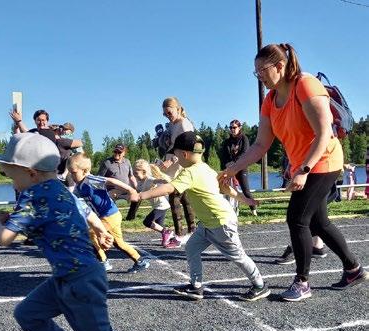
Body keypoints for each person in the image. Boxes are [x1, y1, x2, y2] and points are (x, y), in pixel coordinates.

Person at [0, 133, 181, 331]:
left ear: (30, 173)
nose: (8, 177)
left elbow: (3, 238)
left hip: (81, 279)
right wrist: (101, 230)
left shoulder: (32, 195)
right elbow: (85, 209)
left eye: (9, 173)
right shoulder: (60, 187)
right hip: (67, 276)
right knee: (27, 314)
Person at [222, 43, 368, 301]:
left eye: (262, 71)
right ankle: (353, 269)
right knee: (319, 222)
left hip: (324, 160)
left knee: (297, 218)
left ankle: (302, 283)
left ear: (280, 66)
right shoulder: (269, 100)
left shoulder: (306, 85)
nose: (259, 77)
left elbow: (324, 134)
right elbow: (260, 144)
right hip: (303, 165)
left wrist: (303, 170)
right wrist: (233, 168)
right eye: (256, 72)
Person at [131, 132, 270, 302]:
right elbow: (224, 188)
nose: (175, 158)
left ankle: (260, 286)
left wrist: (141, 195)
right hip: (208, 223)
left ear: (184, 154)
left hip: (221, 222)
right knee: (192, 248)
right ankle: (196, 287)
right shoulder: (205, 168)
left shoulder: (190, 172)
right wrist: (245, 199)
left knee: (238, 256)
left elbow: (170, 188)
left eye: (176, 154)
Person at [68, 152, 150, 273]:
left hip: (109, 215)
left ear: (84, 171)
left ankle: (103, 261)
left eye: (74, 172)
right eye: (70, 172)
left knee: (91, 233)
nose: (71, 176)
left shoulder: (90, 179)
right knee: (119, 243)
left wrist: (131, 190)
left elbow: (111, 181)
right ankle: (140, 261)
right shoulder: (78, 187)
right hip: (108, 216)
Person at [158, 97, 196, 248]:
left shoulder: (185, 124)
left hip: (181, 166)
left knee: (174, 199)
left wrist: (171, 161)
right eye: (165, 114)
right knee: (185, 199)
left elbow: (187, 148)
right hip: (174, 167)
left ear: (178, 109)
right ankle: (193, 231)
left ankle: (180, 236)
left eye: (169, 112)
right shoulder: (173, 125)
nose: (167, 116)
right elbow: (173, 145)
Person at [221, 120, 257, 216]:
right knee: (228, 190)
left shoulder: (244, 139)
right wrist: (227, 164)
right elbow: (223, 155)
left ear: (239, 127)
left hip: (241, 167)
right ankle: (233, 210)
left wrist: (235, 162)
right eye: (231, 128)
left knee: (246, 190)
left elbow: (245, 152)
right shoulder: (227, 141)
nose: (232, 129)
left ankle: (253, 210)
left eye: (234, 127)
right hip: (230, 168)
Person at [132, 159, 171, 243]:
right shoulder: (140, 182)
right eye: (133, 173)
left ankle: (167, 232)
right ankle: (171, 238)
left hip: (161, 206)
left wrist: (165, 181)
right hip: (158, 206)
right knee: (159, 225)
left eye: (136, 173)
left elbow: (156, 180)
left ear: (144, 172)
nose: (134, 175)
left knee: (147, 222)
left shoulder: (149, 179)